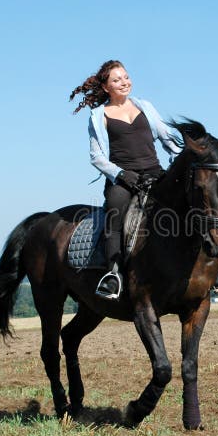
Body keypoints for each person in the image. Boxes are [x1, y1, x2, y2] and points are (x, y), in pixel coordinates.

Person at [70, 60, 181, 299]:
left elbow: (167, 139)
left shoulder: (146, 106)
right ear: (106, 86)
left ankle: (200, 268)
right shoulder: (98, 116)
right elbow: (96, 157)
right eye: (116, 80)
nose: (124, 82)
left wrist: (179, 160)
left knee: (187, 204)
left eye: (126, 77)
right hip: (122, 179)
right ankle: (113, 274)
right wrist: (121, 174)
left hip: (154, 173)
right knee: (115, 214)